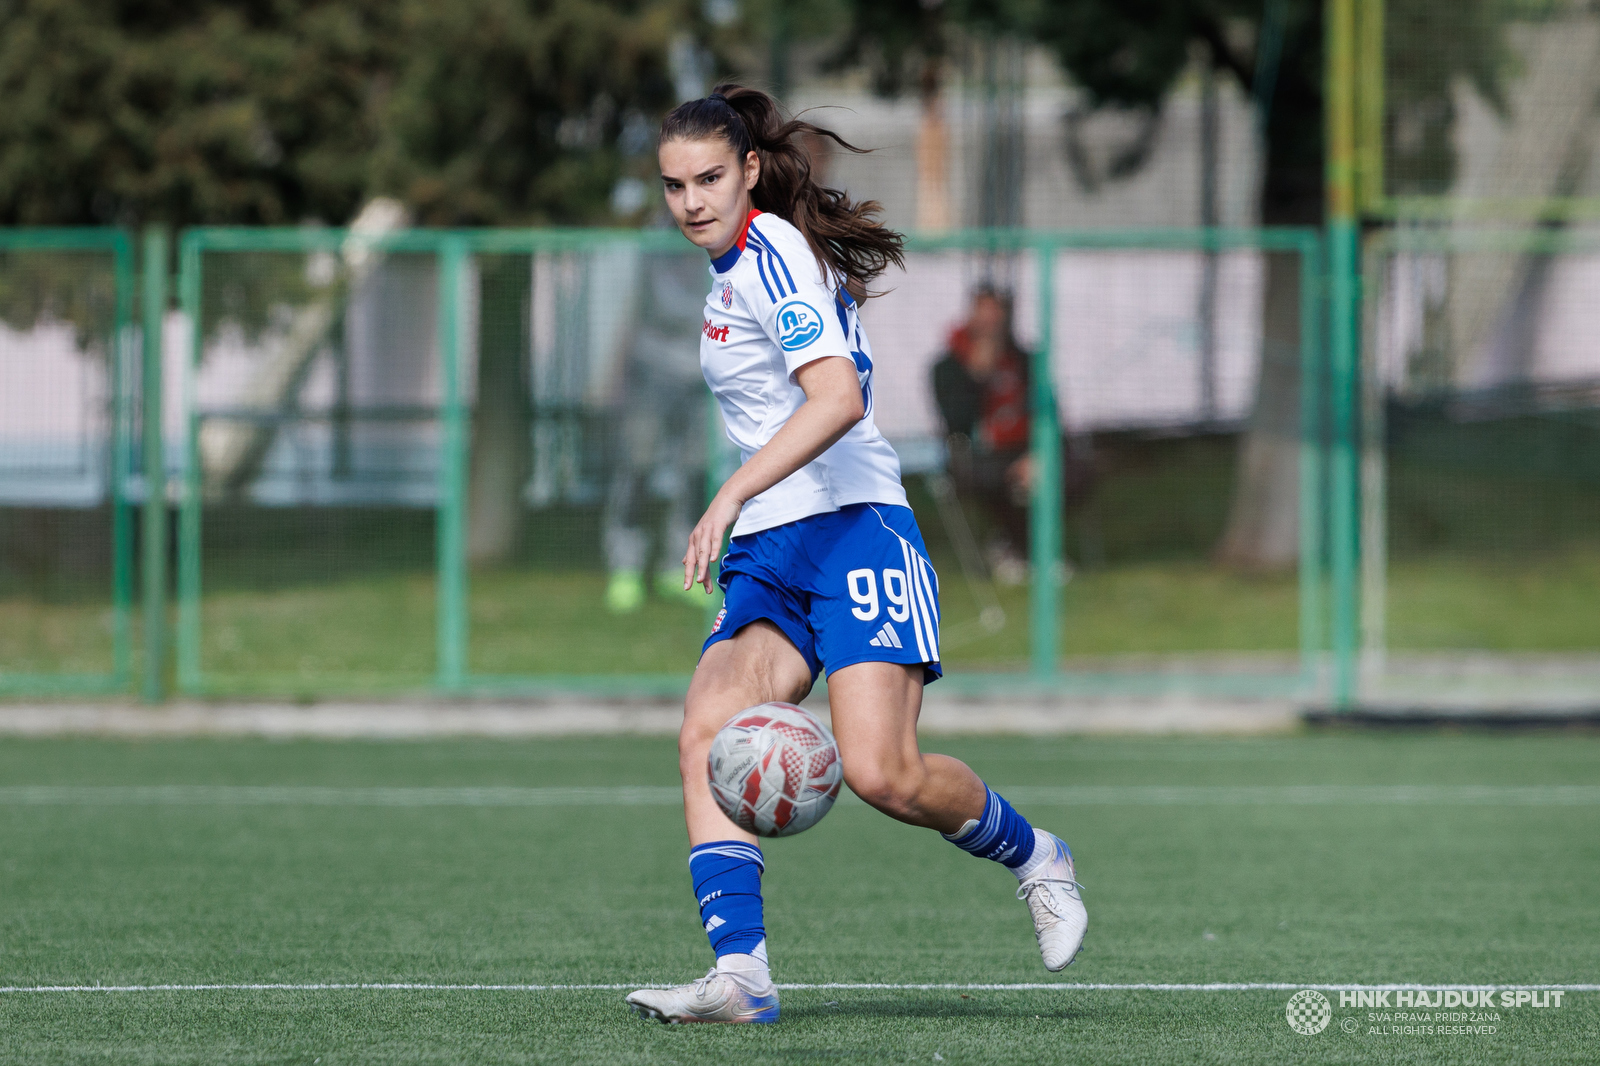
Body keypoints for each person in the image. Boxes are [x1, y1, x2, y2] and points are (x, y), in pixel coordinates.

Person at [624, 84, 1087, 1026]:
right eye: (675, 187)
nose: (693, 202)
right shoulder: (732, 270)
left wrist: (730, 490)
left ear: (750, 170)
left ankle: (1039, 857)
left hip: (852, 529)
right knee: (705, 729)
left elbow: (836, 400)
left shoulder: (774, 255)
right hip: (772, 548)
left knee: (884, 774)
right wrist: (749, 506)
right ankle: (742, 976)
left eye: (711, 178)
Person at [931, 287, 1033, 583]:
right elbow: (956, 422)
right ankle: (1014, 546)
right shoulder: (947, 367)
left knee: (1060, 473)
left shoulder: (1024, 361)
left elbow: (1045, 412)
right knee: (993, 477)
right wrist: (976, 378)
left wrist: (1036, 455)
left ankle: (1029, 548)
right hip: (977, 453)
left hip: (1025, 451)